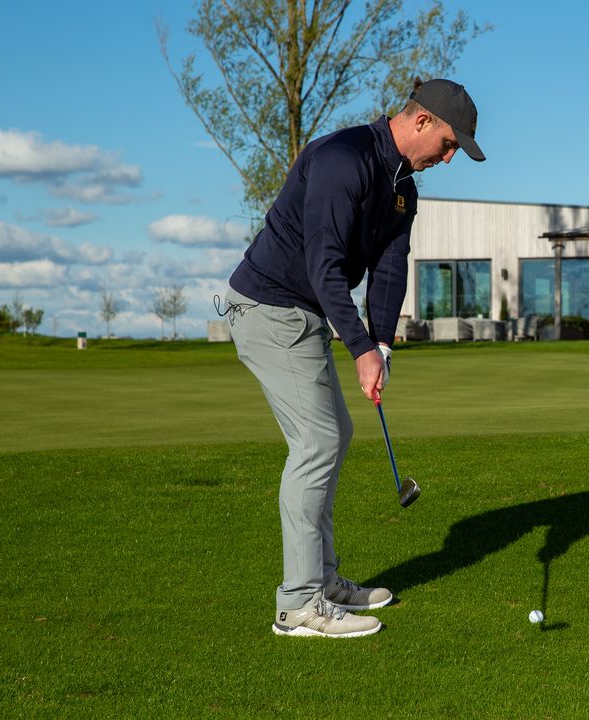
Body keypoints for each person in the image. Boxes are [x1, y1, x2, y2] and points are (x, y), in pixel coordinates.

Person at [219, 78, 485, 638]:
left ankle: (323, 579)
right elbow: (324, 265)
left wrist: (381, 345)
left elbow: (389, 268)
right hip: (269, 308)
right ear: (420, 122)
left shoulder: (403, 188)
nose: (450, 155)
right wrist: (359, 347)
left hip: (303, 312)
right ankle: (298, 606)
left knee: (332, 435)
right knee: (316, 444)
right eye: (449, 141)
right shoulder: (344, 159)